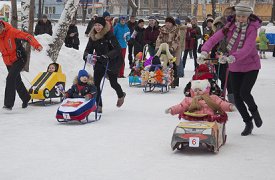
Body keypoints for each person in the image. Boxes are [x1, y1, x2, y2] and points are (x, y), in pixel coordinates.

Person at [198, 2, 263, 136]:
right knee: (236, 96)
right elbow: (214, 38)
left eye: (243, 17)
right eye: (238, 16)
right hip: (235, 66)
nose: (240, 19)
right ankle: (248, 122)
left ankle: (255, 112)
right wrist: (205, 51)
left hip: (251, 65)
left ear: (248, 16)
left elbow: (248, 47)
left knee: (245, 92)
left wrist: (233, 56)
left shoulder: (252, 28)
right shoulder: (230, 26)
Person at [83, 17, 126, 113]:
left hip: (113, 61)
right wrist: (86, 55)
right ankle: (99, 105)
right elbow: (88, 49)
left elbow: (117, 49)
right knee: (96, 84)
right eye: (96, 25)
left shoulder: (109, 35)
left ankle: (121, 95)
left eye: (99, 25)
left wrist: (107, 56)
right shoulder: (93, 36)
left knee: (113, 83)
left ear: (103, 26)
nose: (97, 27)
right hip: (99, 61)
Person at [0, 20, 43, 110]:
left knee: (10, 78)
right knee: (16, 81)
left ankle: (8, 105)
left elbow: (28, 36)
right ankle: (26, 97)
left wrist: (36, 45)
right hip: (8, 61)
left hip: (20, 58)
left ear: (2, 27)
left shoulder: (12, 32)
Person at [165, 79, 234, 122]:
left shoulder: (212, 98)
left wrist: (229, 106)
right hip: (193, 118)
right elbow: (181, 106)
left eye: (200, 90)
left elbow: (220, 104)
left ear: (206, 90)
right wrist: (172, 109)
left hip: (207, 119)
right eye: (195, 90)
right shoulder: (189, 99)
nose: (197, 92)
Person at [211, 6, 236, 104]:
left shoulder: (236, 24)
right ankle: (222, 94)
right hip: (220, 52)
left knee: (230, 78)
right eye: (227, 12)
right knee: (222, 76)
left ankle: (232, 98)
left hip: (233, 53)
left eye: (231, 13)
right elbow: (216, 38)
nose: (228, 14)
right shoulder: (220, 24)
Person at [156, 16, 181, 88]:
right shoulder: (162, 30)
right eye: (166, 22)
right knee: (164, 64)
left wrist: (172, 48)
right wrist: (158, 47)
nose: (167, 24)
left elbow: (177, 40)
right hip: (164, 48)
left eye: (169, 22)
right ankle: (165, 80)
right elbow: (159, 39)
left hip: (174, 49)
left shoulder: (176, 30)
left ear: (172, 23)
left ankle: (174, 82)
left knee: (174, 65)